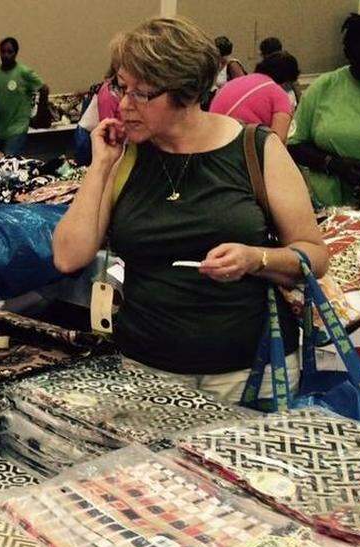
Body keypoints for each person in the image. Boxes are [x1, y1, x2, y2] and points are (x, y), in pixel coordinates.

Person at [52, 17, 328, 403]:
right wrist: (99, 167)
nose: (125, 104)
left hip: (249, 373)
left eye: (141, 93)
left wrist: (256, 259)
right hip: (145, 371)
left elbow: (314, 255)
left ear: (186, 91)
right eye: (121, 87)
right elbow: (68, 257)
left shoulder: (255, 149)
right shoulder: (125, 157)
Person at [289, 14, 360, 208]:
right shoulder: (323, 87)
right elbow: (294, 145)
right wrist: (333, 164)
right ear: (348, 56)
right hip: (329, 207)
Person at [209, 51, 298, 142]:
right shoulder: (279, 95)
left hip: (210, 138)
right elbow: (277, 140)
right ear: (288, 81)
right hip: (236, 144)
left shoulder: (234, 82)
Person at [0, 37, 50, 156]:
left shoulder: (24, 72)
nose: (6, 55)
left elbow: (44, 89)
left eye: (9, 52)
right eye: (3, 51)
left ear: (15, 53)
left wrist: (40, 116)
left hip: (18, 128)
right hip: (0, 129)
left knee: (9, 160)